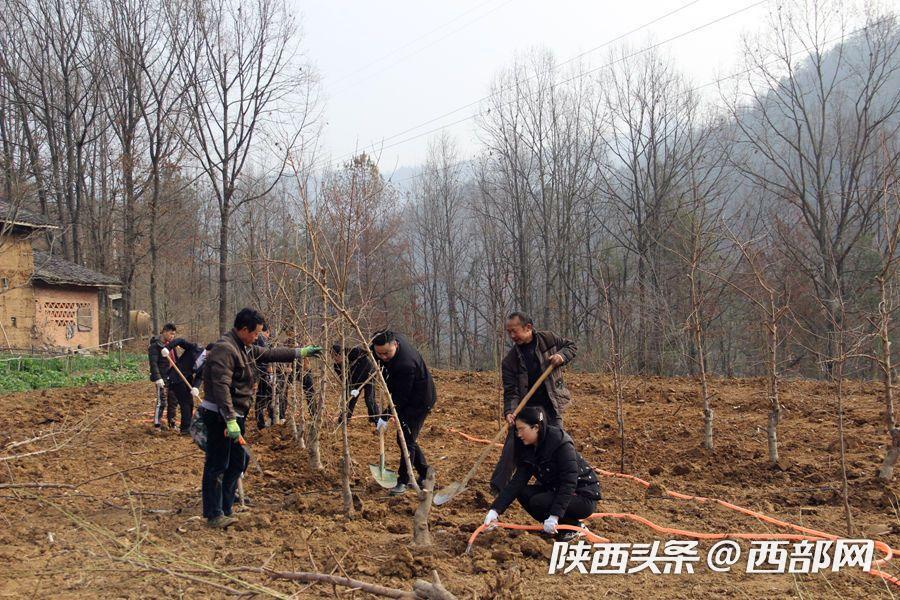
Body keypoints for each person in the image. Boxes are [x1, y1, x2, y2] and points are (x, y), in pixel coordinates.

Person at [200, 308, 322, 528]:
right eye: (255, 333)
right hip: (220, 415)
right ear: (243, 329)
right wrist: (229, 419)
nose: (258, 337)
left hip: (235, 414)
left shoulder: (243, 347)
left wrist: (300, 352)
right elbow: (221, 387)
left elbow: (269, 354)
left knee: (238, 461)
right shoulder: (225, 349)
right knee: (218, 464)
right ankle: (214, 513)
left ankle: (227, 506)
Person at [483, 406, 601, 543]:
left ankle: (574, 528)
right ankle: (561, 528)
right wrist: (495, 510)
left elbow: (569, 482)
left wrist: (555, 515)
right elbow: (518, 481)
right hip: (556, 490)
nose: (518, 434)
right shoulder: (529, 448)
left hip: (581, 495)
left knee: (539, 501)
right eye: (517, 430)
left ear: (535, 427)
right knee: (523, 493)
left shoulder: (560, 443)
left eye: (521, 429)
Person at [490, 311, 577, 494]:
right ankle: (498, 487)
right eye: (509, 332)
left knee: (558, 442)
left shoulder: (548, 340)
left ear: (528, 328)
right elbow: (511, 391)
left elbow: (570, 346)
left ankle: (565, 482)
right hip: (527, 409)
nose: (512, 336)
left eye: (515, 331)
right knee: (513, 445)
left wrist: (561, 357)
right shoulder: (510, 361)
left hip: (551, 404)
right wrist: (510, 411)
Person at [371, 330, 436, 495]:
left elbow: (401, 398)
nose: (383, 357)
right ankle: (426, 472)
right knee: (408, 439)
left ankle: (404, 481)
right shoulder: (386, 342)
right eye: (379, 354)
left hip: (418, 401)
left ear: (395, 345)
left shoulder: (405, 365)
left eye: (386, 353)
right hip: (406, 395)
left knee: (406, 440)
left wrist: (385, 416)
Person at [148, 323, 196, 430]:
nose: (172, 336)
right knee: (162, 401)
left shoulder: (172, 345)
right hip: (162, 376)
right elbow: (153, 363)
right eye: (171, 333)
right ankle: (157, 424)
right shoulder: (155, 346)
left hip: (173, 376)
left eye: (174, 334)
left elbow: (175, 360)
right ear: (164, 331)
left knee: (173, 401)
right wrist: (158, 378)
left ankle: (172, 422)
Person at [332, 343, 380, 426]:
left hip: (369, 375)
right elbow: (344, 380)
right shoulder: (337, 366)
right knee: (350, 399)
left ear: (340, 353)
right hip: (355, 382)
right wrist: (351, 389)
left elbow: (366, 352)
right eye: (332, 356)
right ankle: (344, 419)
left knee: (369, 399)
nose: (334, 358)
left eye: (336, 356)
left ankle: (375, 420)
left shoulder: (353, 352)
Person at [167, 339, 205, 435]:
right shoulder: (195, 348)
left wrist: (196, 387)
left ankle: (187, 426)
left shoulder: (207, 362)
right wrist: (168, 348)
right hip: (176, 377)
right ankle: (185, 429)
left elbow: (200, 376)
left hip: (187, 379)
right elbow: (180, 341)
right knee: (185, 402)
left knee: (190, 403)